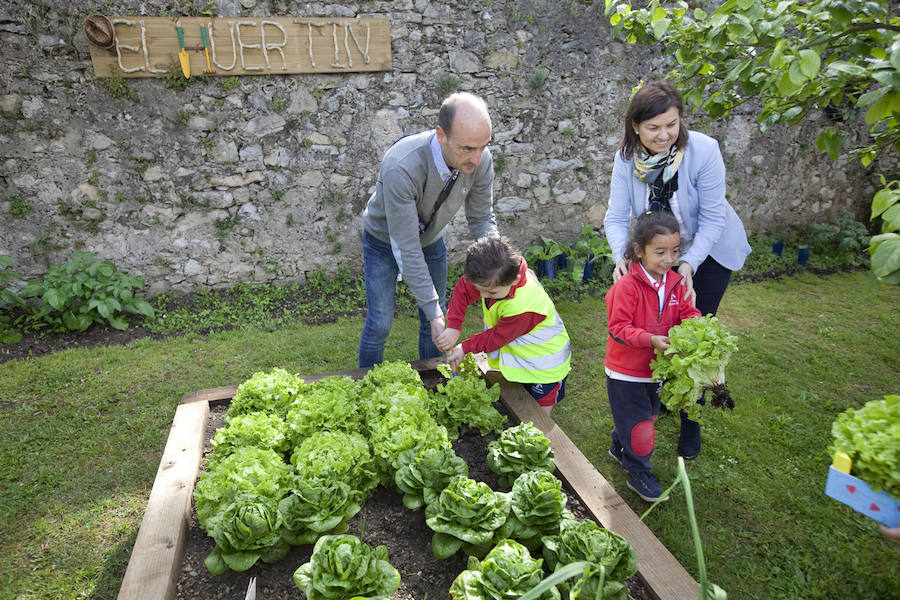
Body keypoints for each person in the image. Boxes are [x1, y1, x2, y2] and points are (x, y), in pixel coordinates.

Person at [603, 80, 751, 458]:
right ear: (635, 126)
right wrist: (622, 254)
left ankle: (692, 423)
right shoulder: (626, 158)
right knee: (658, 329)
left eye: (671, 124)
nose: (664, 135)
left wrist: (687, 264)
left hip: (709, 253)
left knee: (694, 339)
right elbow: (617, 216)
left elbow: (714, 218)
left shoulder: (703, 151)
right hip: (660, 251)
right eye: (653, 127)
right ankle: (663, 398)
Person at [358, 92, 499, 368]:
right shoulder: (402, 165)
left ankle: (433, 385)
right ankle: (365, 386)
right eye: (467, 149)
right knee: (380, 323)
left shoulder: (480, 161)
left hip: (431, 240)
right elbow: (407, 246)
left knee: (433, 323)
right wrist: (434, 311)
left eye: (484, 147)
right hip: (383, 241)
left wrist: (504, 261)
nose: (477, 159)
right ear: (441, 135)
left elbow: (482, 218)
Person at [605, 211, 702, 502]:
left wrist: (697, 327)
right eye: (660, 252)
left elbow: (688, 313)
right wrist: (650, 339)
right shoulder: (627, 287)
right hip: (626, 372)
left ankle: (618, 444)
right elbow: (618, 328)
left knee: (650, 415)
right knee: (642, 429)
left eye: (674, 251)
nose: (668, 259)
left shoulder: (674, 283)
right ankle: (639, 472)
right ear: (638, 250)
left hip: (655, 370)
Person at [435, 236, 571, 415]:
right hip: (523, 357)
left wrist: (465, 347)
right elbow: (463, 290)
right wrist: (453, 325)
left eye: (490, 292)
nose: (483, 295)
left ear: (514, 280)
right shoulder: (493, 279)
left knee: (538, 415)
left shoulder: (524, 306)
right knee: (520, 400)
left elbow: (497, 337)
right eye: (479, 289)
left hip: (546, 366)